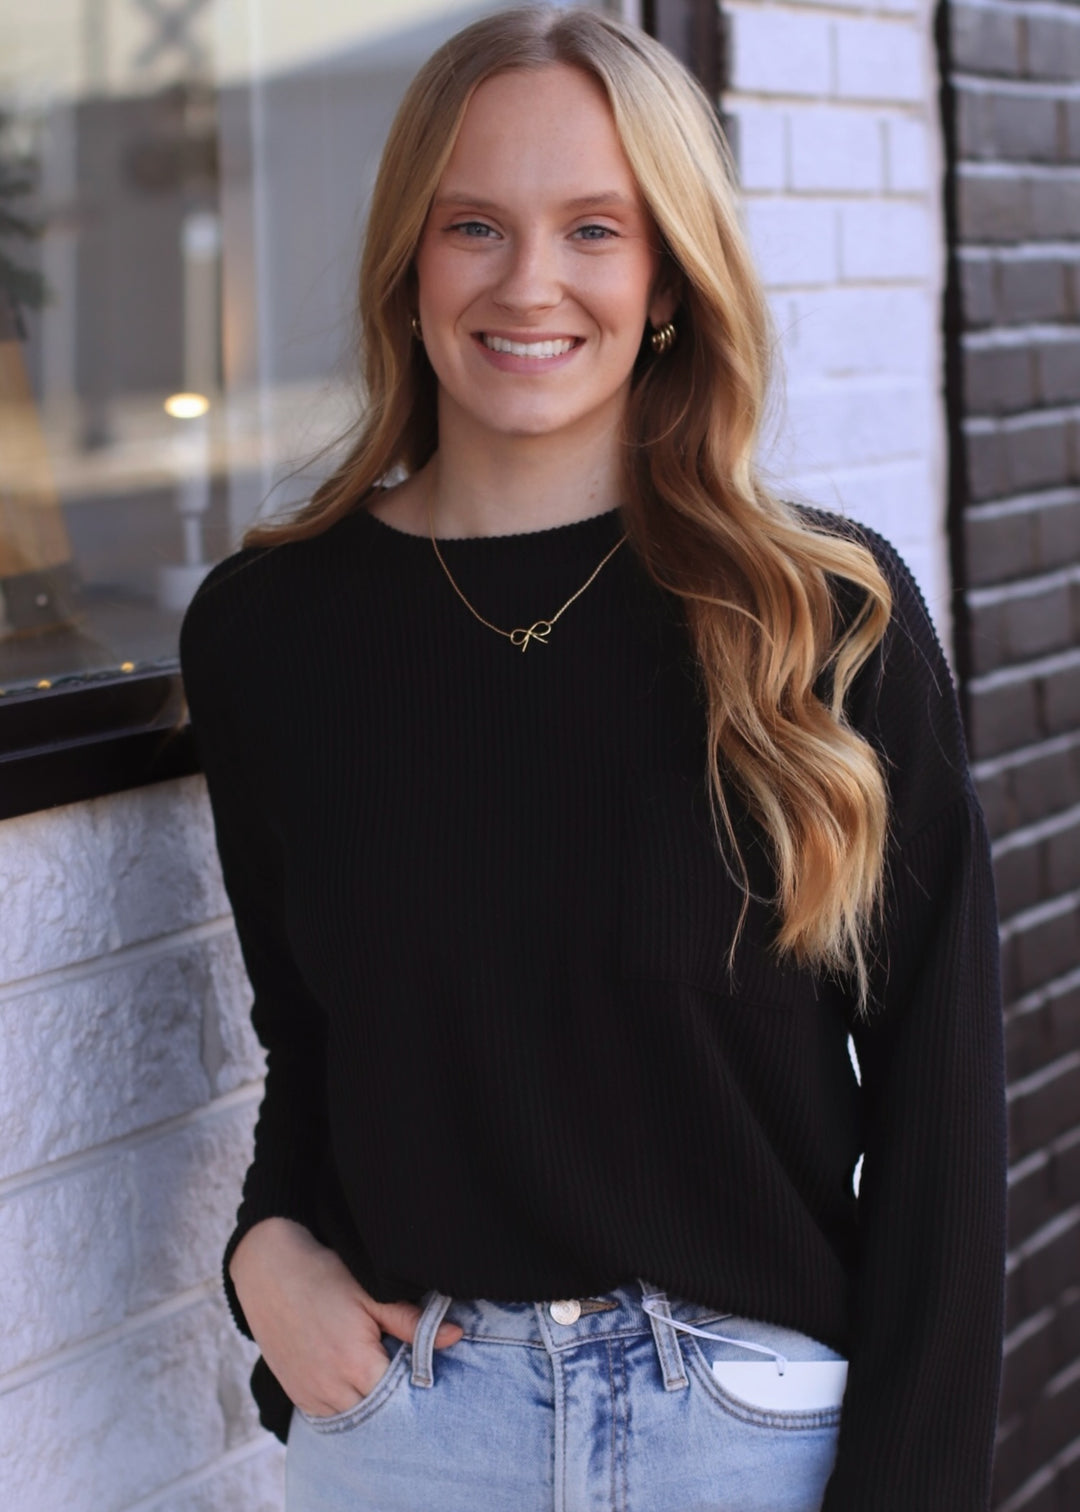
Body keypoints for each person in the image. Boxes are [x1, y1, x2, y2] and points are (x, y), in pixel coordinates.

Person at [179, 7, 1007, 1509]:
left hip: (748, 1441)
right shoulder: (270, 634)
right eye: (474, 226)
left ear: (668, 277)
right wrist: (265, 1250)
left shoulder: (821, 618)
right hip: (412, 1433)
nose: (528, 283)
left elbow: (943, 1116)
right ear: (409, 262)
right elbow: (312, 1036)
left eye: (594, 230)